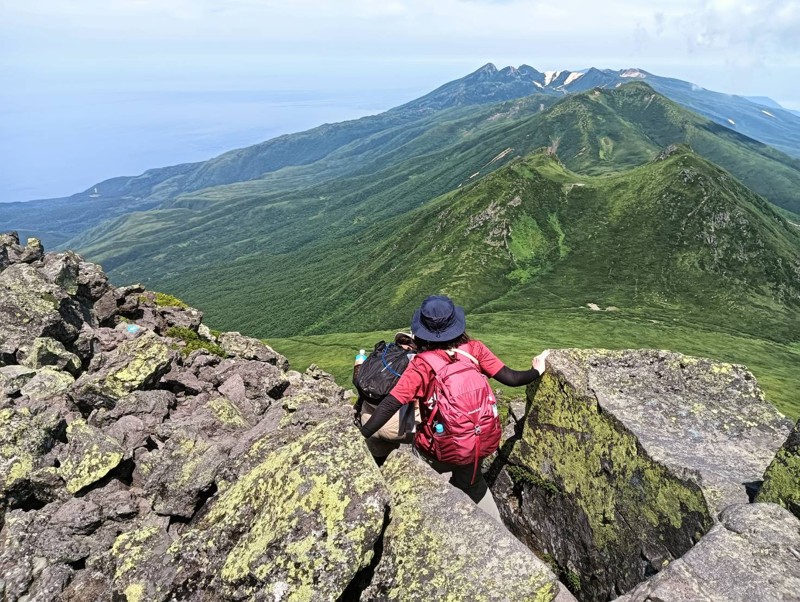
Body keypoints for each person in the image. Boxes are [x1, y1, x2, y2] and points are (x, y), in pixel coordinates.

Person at [359, 294, 549, 522]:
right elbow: (511, 378)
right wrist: (536, 371)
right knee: (474, 485)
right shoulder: (475, 350)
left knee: (429, 486)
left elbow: (391, 404)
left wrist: (361, 436)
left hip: (437, 447)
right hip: (476, 442)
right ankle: (497, 532)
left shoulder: (422, 364)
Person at [355, 332, 420, 464]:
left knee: (381, 460)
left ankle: (381, 464)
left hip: (367, 420)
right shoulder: (416, 362)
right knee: (418, 406)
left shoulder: (381, 355)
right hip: (397, 428)